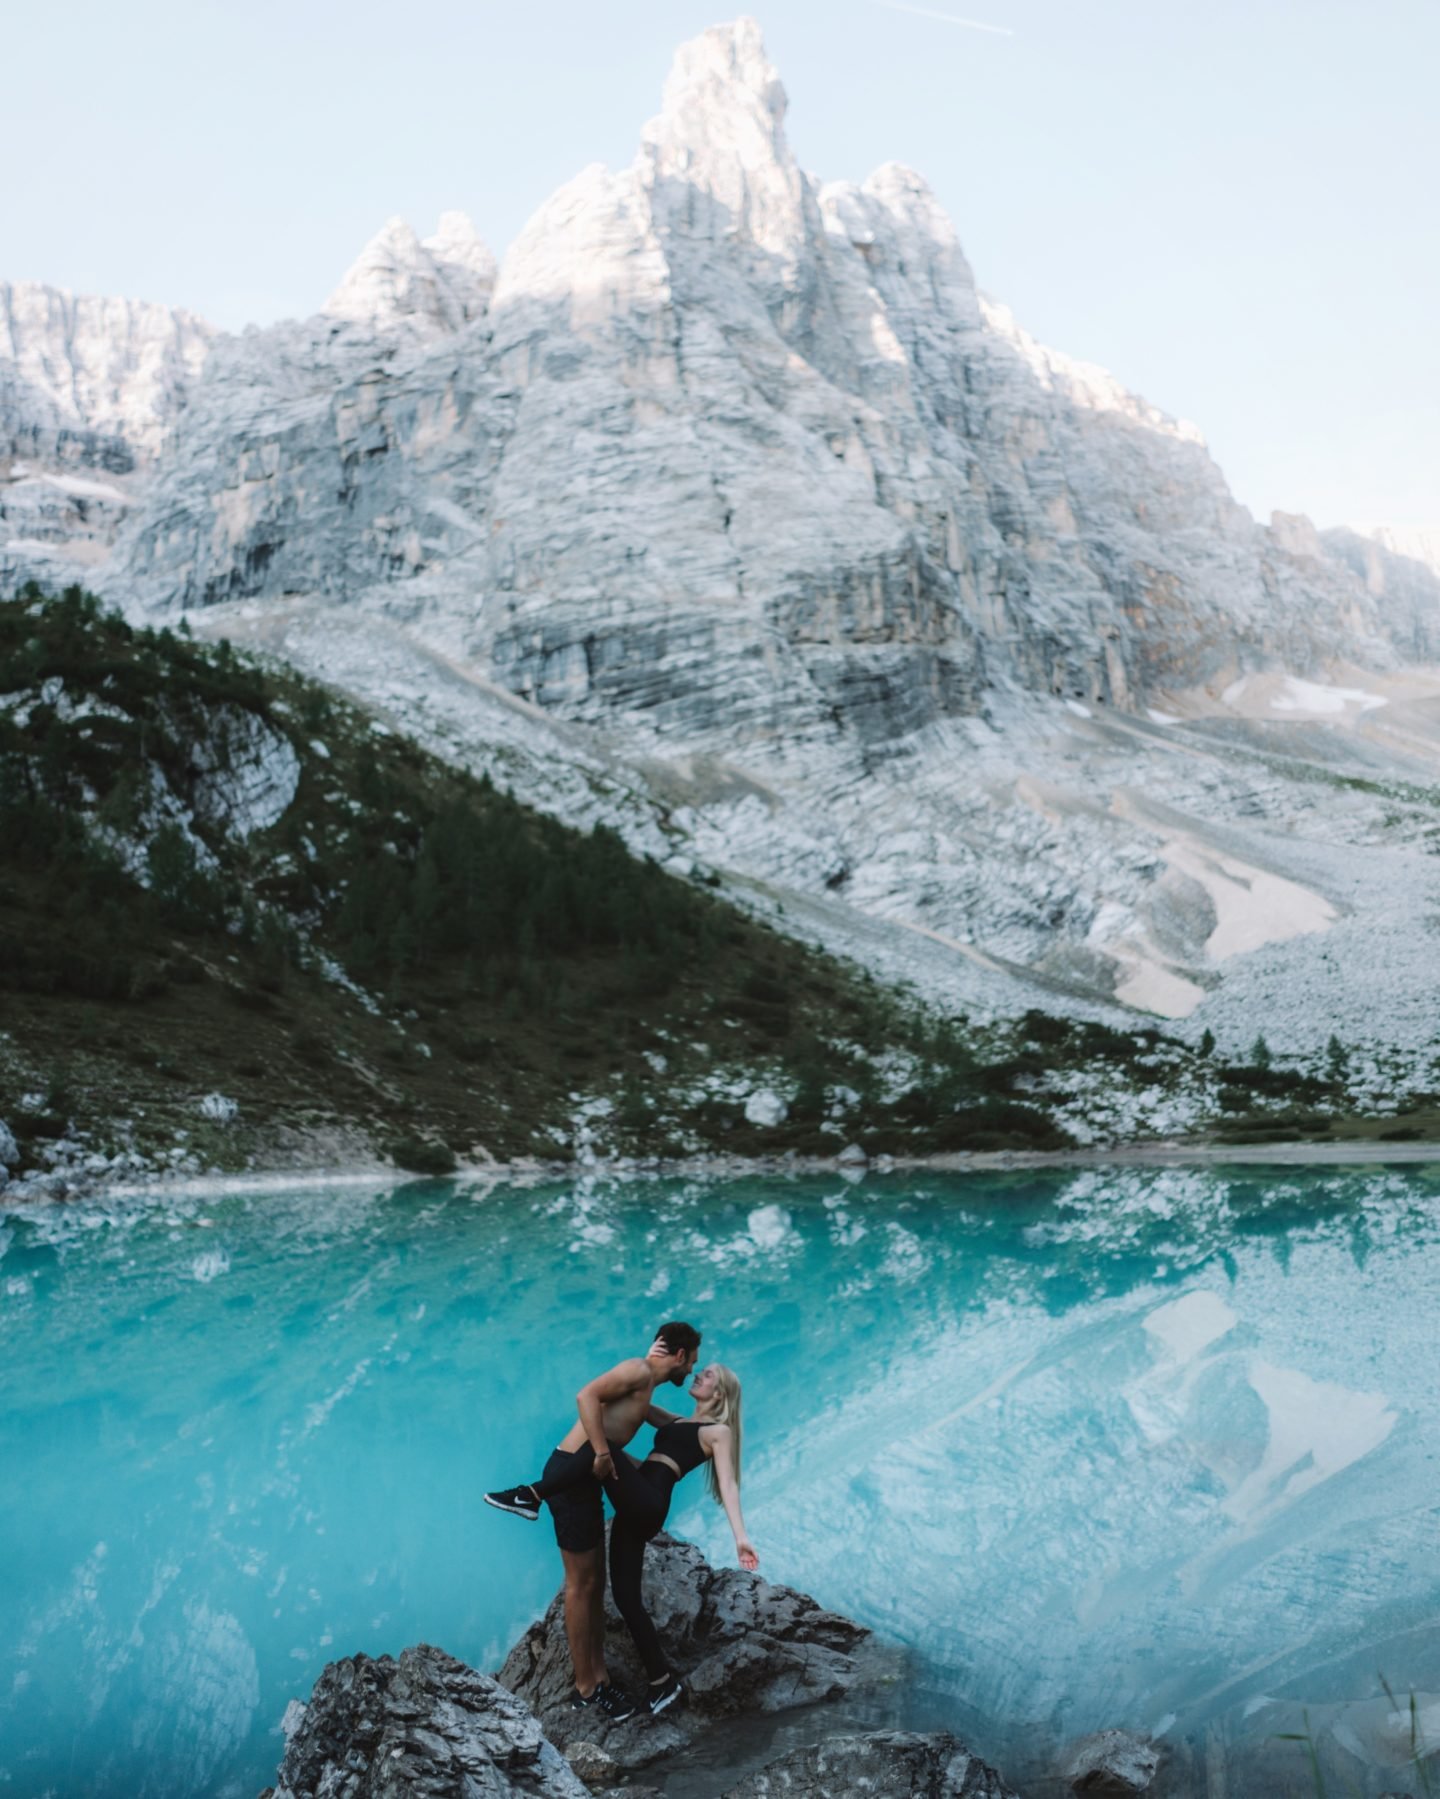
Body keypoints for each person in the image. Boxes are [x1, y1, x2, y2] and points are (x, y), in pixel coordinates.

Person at [488, 1360, 757, 1717]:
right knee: (626, 1598)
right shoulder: (677, 1422)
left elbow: (728, 1484)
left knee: (603, 1446)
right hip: (638, 1496)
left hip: (648, 1503)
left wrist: (741, 1537)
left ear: (720, 1392)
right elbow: (637, 1399)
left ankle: (531, 1494)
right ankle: (662, 1682)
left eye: (706, 1375)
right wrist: (651, 1359)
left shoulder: (717, 1431)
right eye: (699, 1369)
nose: (698, 1375)